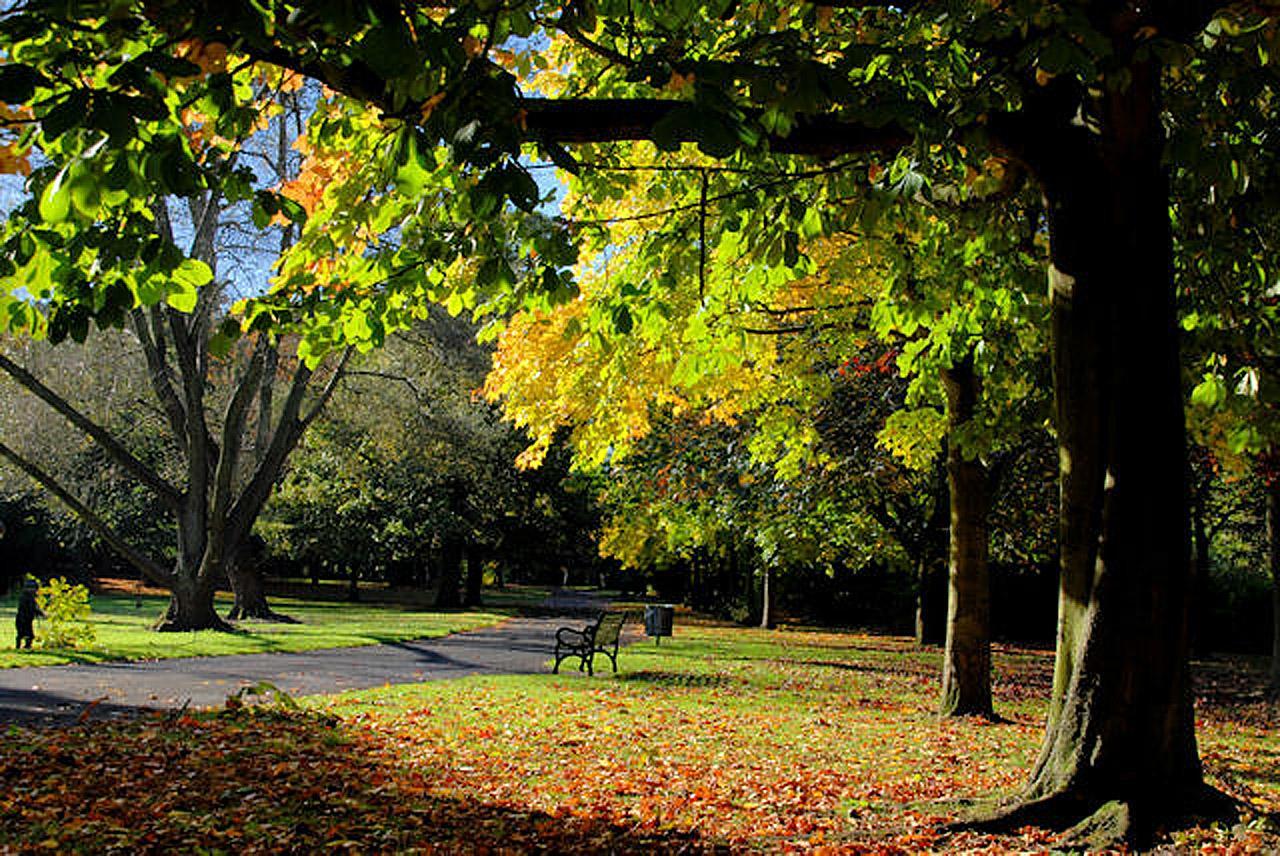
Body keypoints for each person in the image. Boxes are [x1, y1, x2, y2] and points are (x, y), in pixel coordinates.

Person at [16, 579, 41, 649]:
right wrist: (40, 612)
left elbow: (34, 608)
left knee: (26, 634)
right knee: (25, 634)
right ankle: (22, 646)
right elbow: (32, 608)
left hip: (26, 619)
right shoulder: (26, 598)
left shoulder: (30, 597)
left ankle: (25, 646)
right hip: (23, 619)